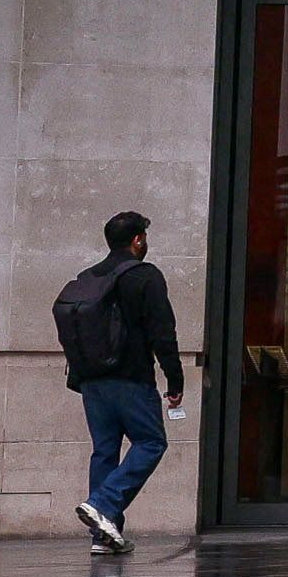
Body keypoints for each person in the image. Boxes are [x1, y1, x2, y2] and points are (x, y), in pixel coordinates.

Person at [52, 210, 184, 556]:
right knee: (151, 442)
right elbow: (162, 332)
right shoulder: (145, 276)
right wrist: (175, 378)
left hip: (92, 381)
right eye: (145, 237)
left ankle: (104, 535)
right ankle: (104, 504)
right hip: (131, 378)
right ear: (138, 240)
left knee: (104, 451)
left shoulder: (89, 277)